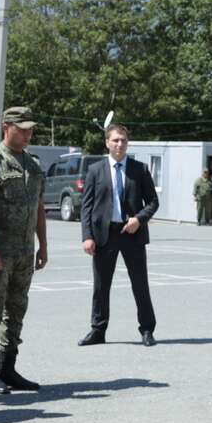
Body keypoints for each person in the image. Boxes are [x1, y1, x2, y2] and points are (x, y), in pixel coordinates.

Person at [0, 107, 49, 394]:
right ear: (6, 127)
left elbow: (39, 207)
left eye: (31, 129)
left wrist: (43, 246)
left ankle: (8, 368)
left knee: (16, 310)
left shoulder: (33, 164)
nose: (28, 134)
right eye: (22, 128)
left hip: (25, 253)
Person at [78, 122, 160, 347]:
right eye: (115, 140)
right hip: (104, 234)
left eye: (123, 140)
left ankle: (147, 330)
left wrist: (139, 219)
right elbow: (86, 206)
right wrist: (87, 236)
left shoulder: (139, 169)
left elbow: (153, 202)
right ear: (107, 143)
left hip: (132, 233)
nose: (119, 144)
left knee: (140, 284)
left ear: (127, 143)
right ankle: (98, 330)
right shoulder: (95, 170)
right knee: (101, 286)